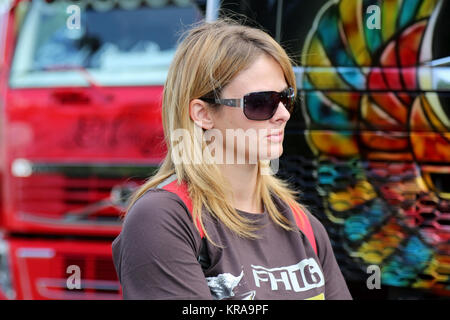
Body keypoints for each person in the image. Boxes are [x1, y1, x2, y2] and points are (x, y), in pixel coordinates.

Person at [112, 19, 352, 300]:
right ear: (203, 114)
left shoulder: (302, 223)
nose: (283, 115)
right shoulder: (163, 218)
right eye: (261, 102)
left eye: (286, 98)